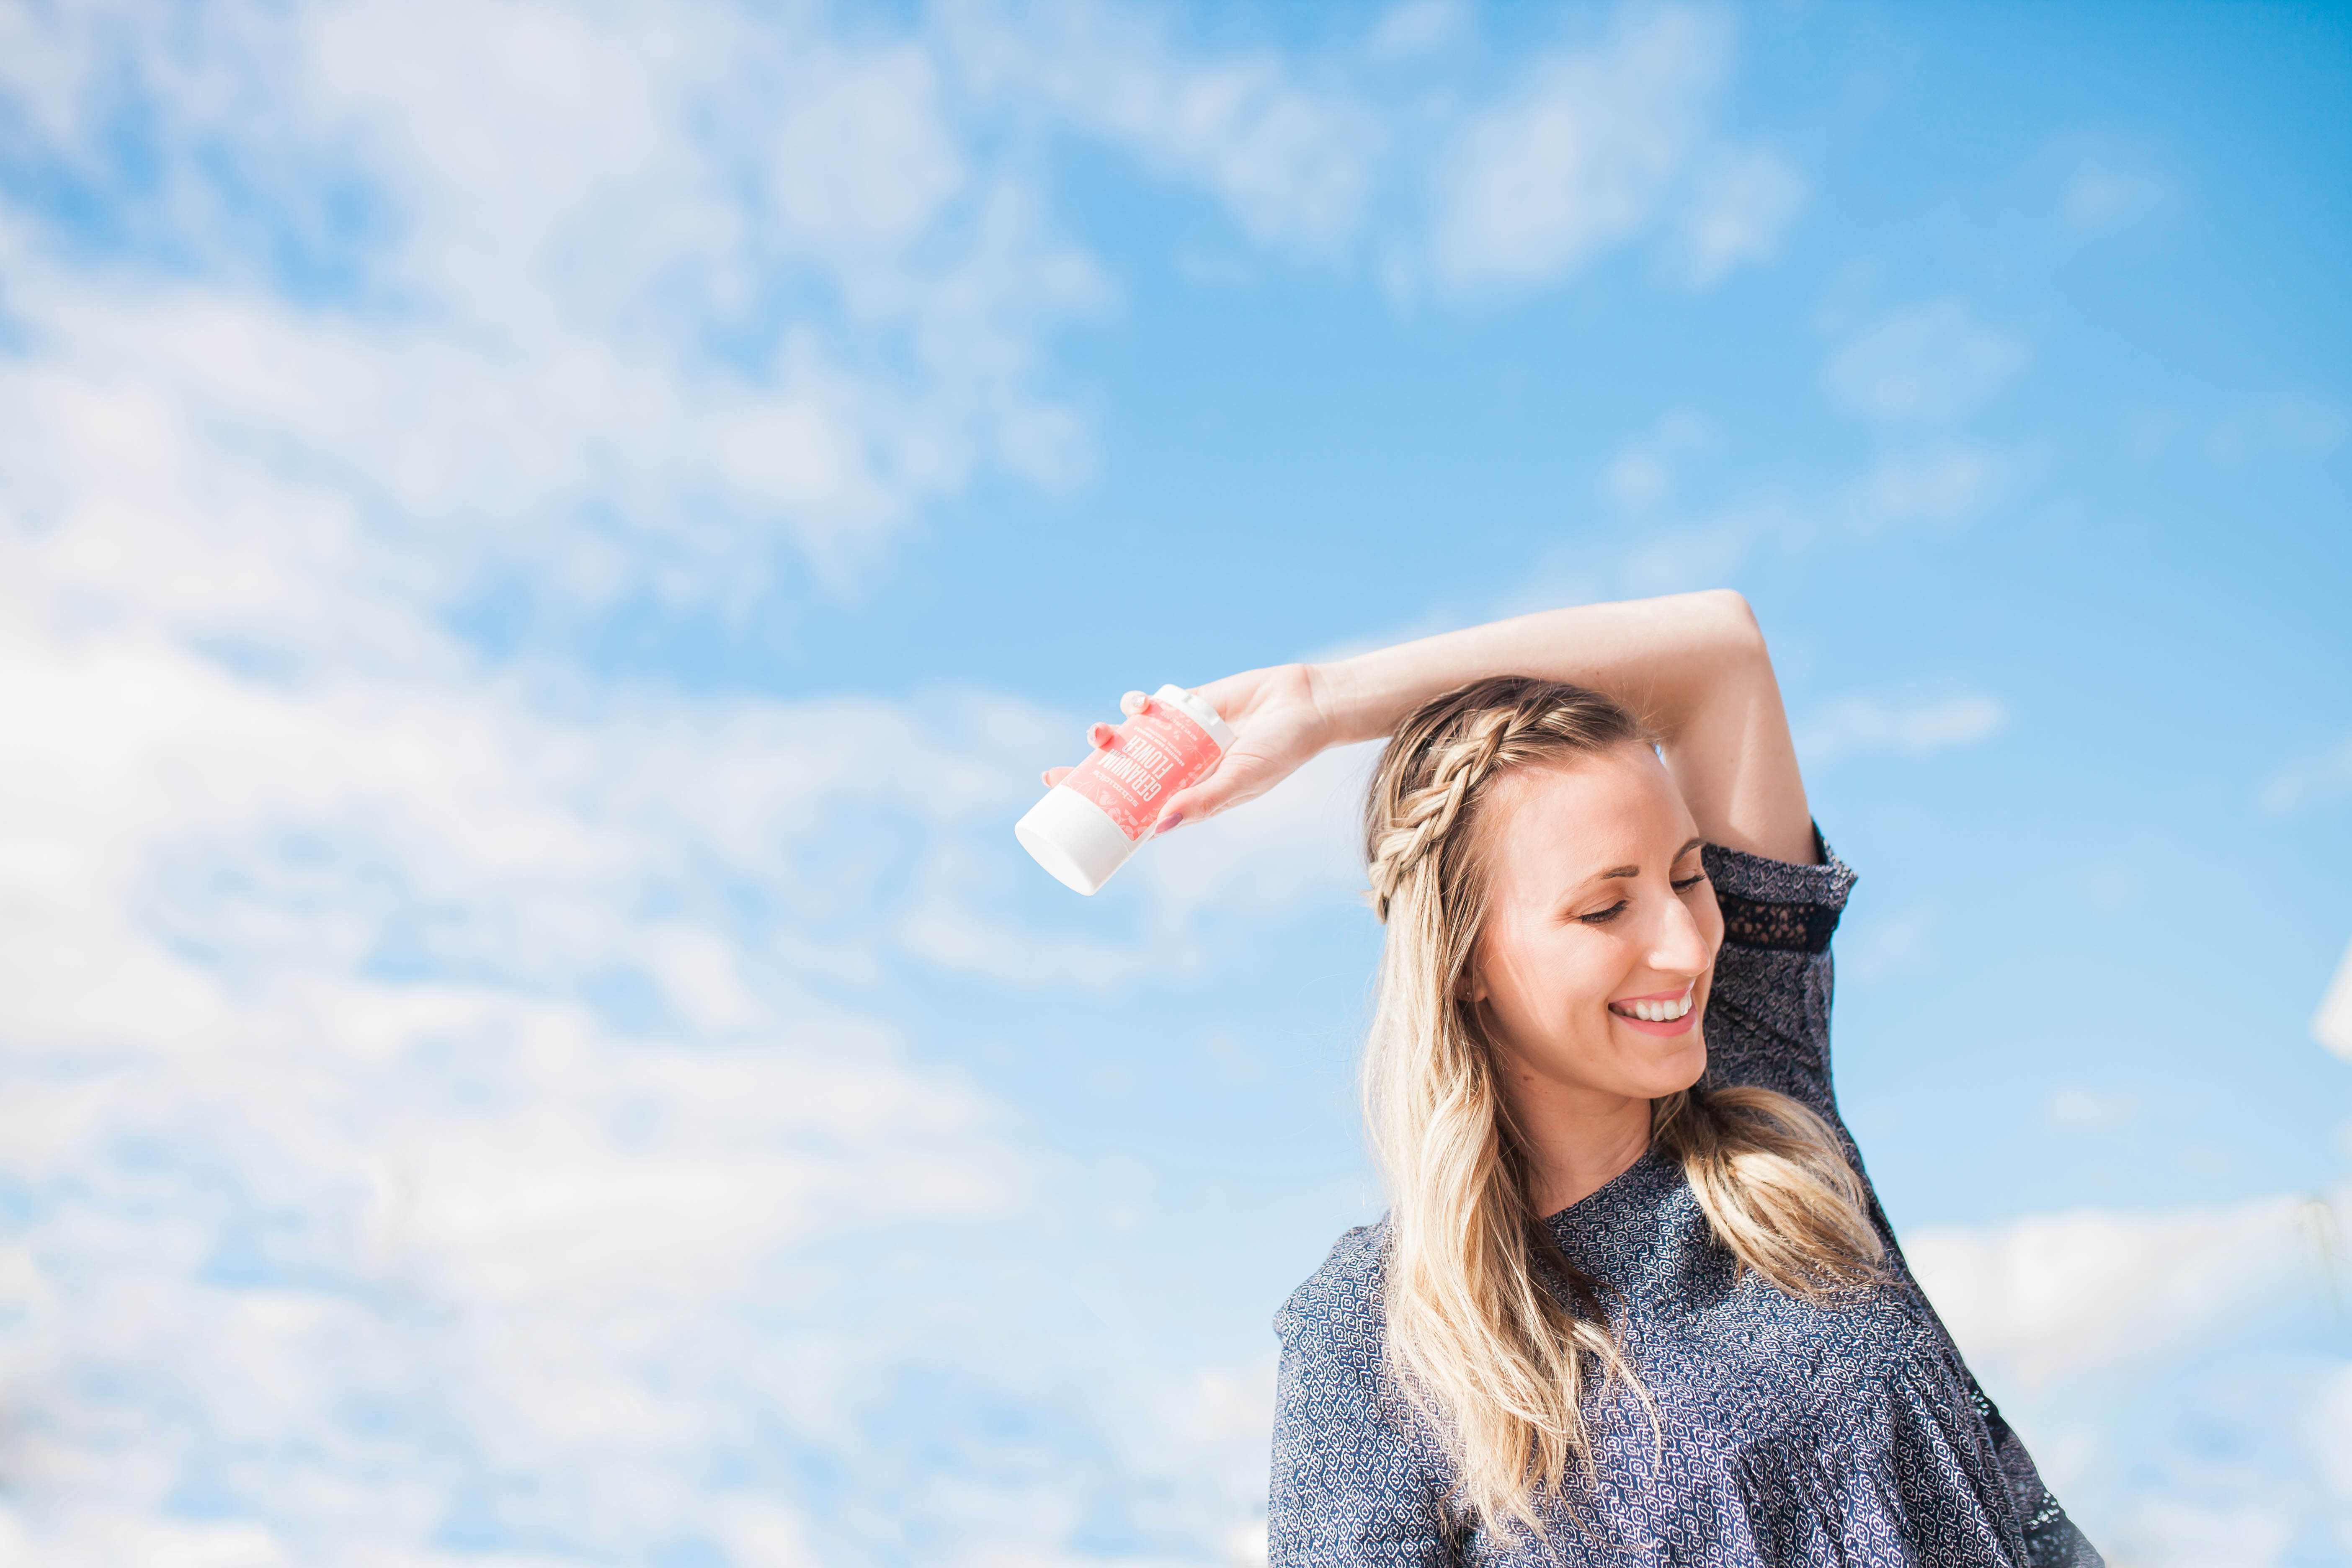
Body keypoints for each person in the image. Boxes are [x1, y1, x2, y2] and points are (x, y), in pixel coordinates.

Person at [1048, 592, 2101, 1566]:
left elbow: (1720, 654)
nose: (1689, 948)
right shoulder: (1375, 1345)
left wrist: (1321, 705)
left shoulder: (1759, 1083)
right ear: (1461, 963)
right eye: (1606, 909)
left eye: (1690, 876)